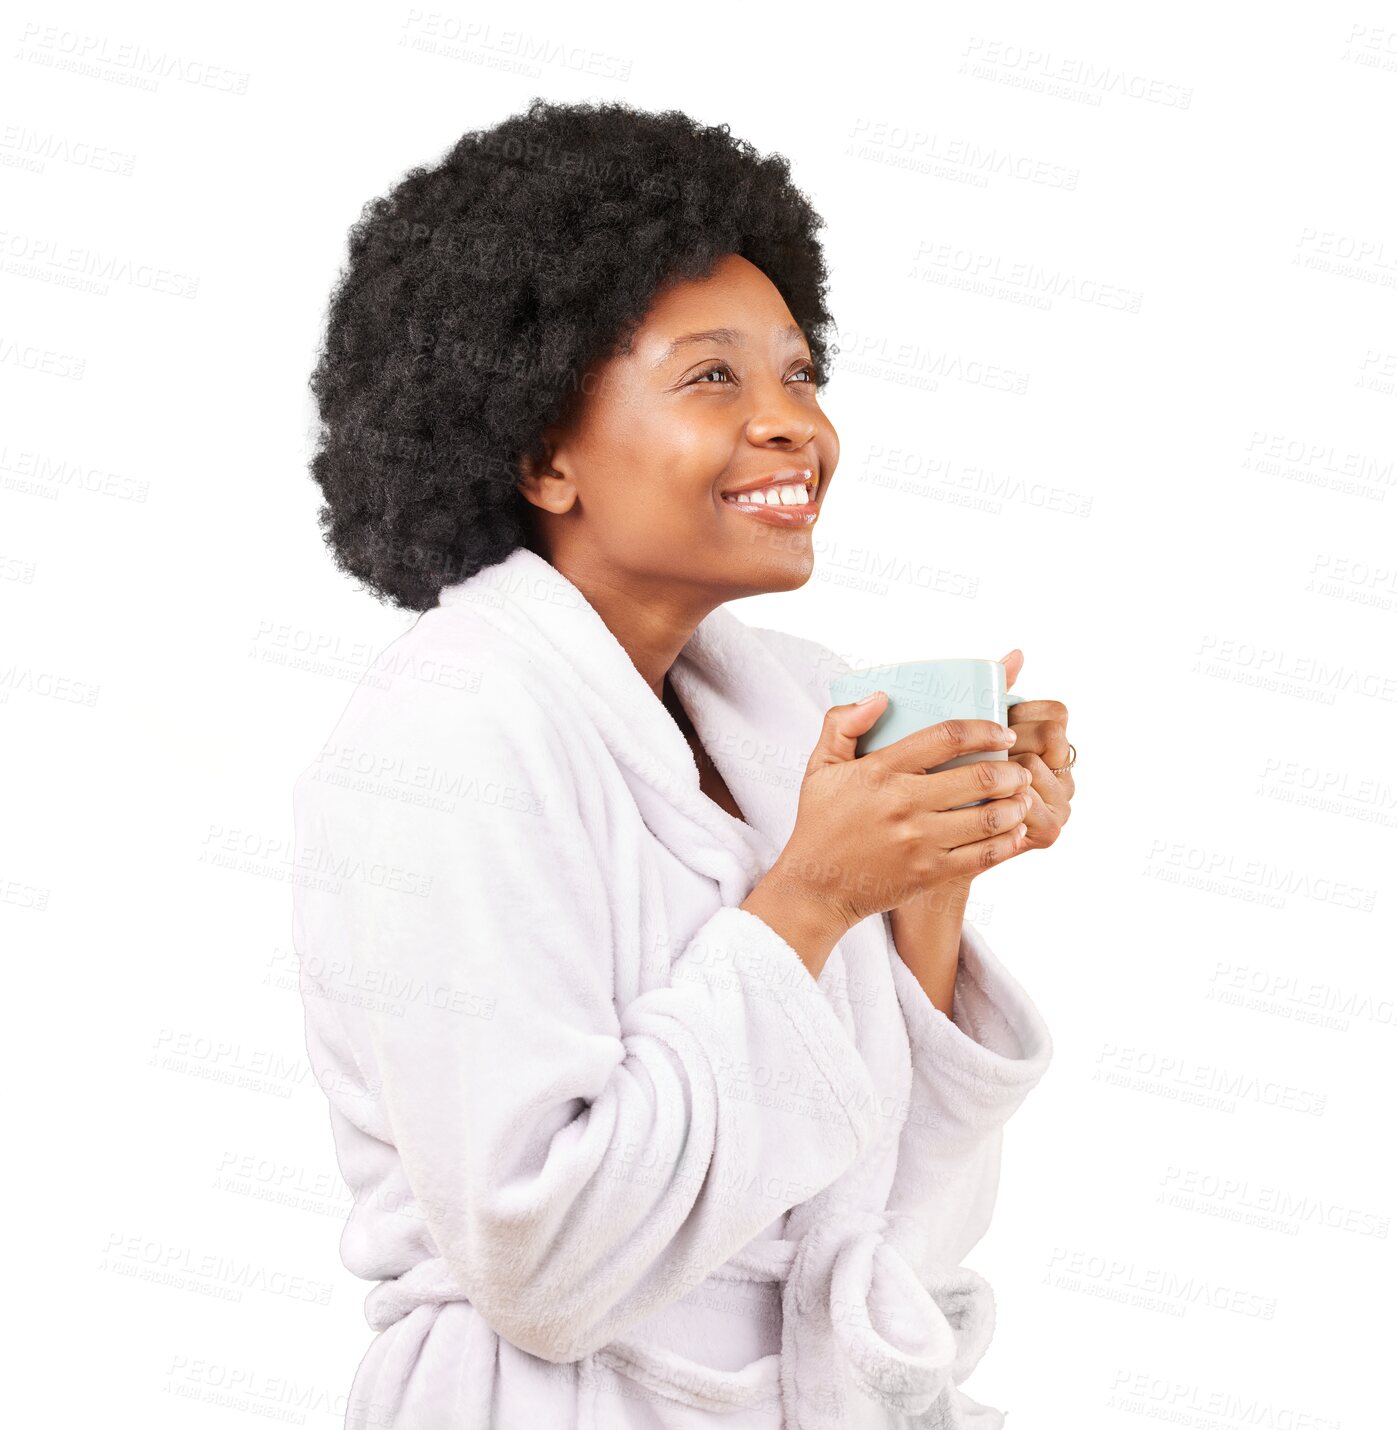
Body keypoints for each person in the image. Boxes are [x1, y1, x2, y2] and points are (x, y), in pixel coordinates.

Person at [292, 97, 1074, 1430]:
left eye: (799, 373)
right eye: (714, 377)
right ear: (542, 448)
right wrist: (816, 895)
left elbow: (877, 1223)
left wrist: (927, 890)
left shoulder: (782, 708)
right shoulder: (450, 731)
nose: (791, 425)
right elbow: (546, 1262)